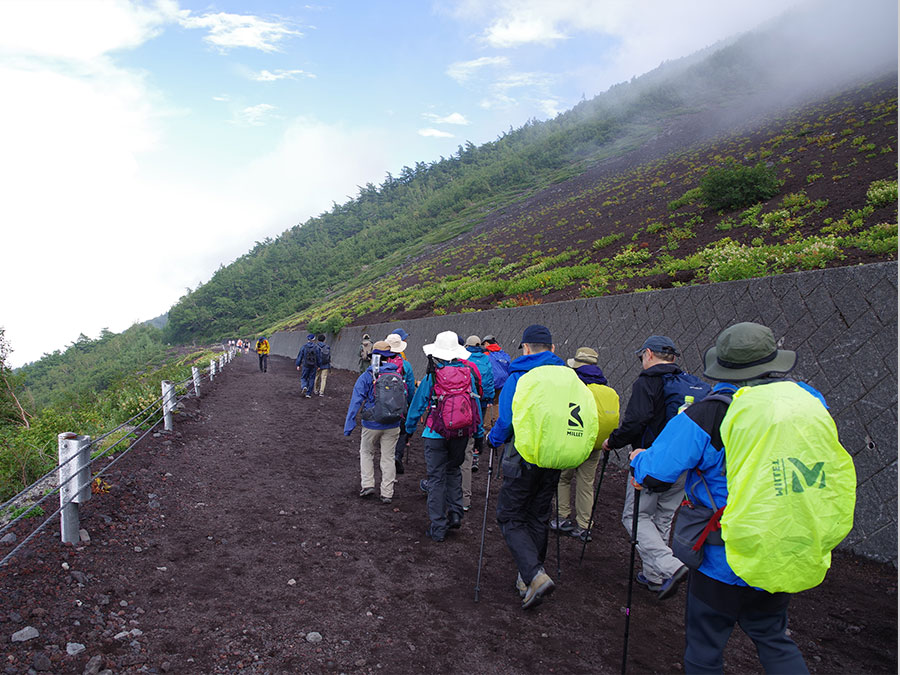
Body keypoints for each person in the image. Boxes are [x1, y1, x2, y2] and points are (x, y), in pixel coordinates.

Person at [629, 322, 823, 673]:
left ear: (724, 366)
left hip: (722, 554)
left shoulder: (710, 412)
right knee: (775, 639)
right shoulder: (808, 400)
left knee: (704, 648)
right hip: (783, 543)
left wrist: (638, 458)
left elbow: (656, 472)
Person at [602, 335, 696, 597]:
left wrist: (614, 441)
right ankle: (654, 575)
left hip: (652, 461)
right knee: (663, 517)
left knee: (635, 517)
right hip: (684, 463)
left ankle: (669, 566)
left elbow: (635, 422)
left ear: (649, 354)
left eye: (642, 356)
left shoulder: (648, 382)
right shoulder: (688, 383)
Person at [487, 324, 564, 610]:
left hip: (522, 457)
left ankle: (534, 574)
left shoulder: (518, 376)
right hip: (555, 457)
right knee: (538, 516)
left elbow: (505, 421)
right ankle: (527, 577)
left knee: (509, 516)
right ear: (553, 349)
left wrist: (492, 439)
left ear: (526, 348)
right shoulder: (566, 376)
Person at [405, 331, 482, 543]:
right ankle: (456, 512)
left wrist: (409, 430)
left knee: (436, 479)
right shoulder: (467, 374)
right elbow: (474, 406)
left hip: (435, 434)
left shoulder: (433, 375)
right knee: (454, 470)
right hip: (461, 433)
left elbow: (418, 405)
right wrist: (479, 434)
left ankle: (438, 527)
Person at [551, 347, 619, 542]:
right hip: (597, 443)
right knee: (586, 483)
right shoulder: (607, 390)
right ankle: (584, 525)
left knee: (564, 478)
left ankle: (562, 517)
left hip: (574, 441)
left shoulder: (575, 387)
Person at [344, 340, 404, 504]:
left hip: (371, 423)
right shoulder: (397, 375)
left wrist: (349, 424)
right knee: (388, 457)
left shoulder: (367, 375)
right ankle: (387, 493)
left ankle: (368, 484)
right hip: (393, 423)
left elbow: (356, 400)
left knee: (366, 452)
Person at [460, 335, 494, 510]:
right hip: (482, 398)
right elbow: (488, 380)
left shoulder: (466, 359)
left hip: (467, 399)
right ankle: (474, 456)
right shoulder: (486, 358)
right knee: (477, 425)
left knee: (466, 423)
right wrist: (487, 397)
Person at [384, 333, 416, 475]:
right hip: (401, 402)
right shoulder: (406, 365)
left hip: (383, 401)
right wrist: (409, 404)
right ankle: (397, 455)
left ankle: (387, 457)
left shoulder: (381, 362)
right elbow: (410, 386)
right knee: (402, 431)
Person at [482, 334, 511, 430]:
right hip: (504, 383)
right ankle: (498, 425)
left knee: (488, 404)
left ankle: (488, 426)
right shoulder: (504, 354)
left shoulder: (486, 354)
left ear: (486, 343)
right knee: (498, 404)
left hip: (492, 383)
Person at [295, 334, 319, 398]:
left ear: (308, 339)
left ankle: (304, 386)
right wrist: (319, 365)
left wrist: (298, 365)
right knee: (311, 379)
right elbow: (319, 357)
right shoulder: (316, 347)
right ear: (314, 339)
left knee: (303, 377)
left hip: (305, 365)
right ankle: (308, 394)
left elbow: (300, 356)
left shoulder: (304, 347)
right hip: (313, 366)